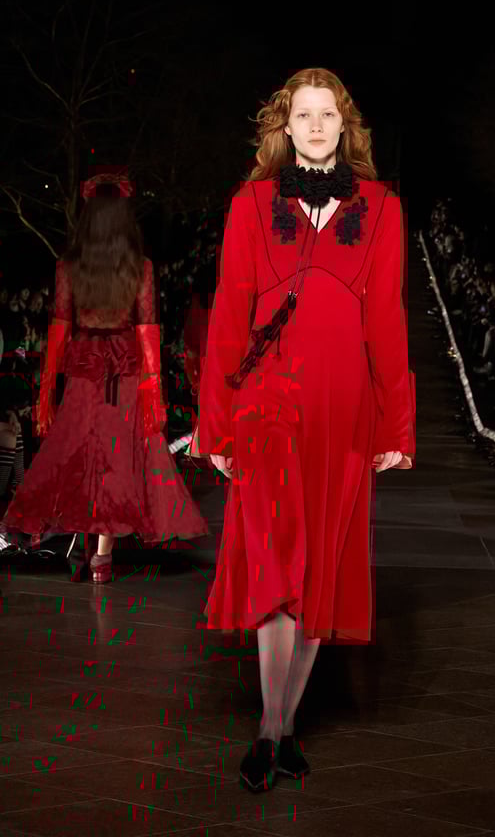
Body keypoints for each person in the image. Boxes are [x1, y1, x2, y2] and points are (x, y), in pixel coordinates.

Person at [187, 68, 415, 793]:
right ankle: (269, 729)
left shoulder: (382, 207)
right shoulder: (251, 203)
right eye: (304, 115)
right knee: (273, 563)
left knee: (320, 566)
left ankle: (282, 730)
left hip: (345, 406)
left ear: (346, 126)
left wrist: (398, 424)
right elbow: (229, 312)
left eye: (328, 115)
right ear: (284, 127)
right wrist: (215, 427)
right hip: (267, 405)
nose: (316, 127)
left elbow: (387, 320)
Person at [0, 172, 208, 579]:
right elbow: (147, 330)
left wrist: (47, 392)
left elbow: (59, 328)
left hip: (84, 370)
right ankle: (102, 556)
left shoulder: (70, 266)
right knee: (116, 459)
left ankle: (82, 548)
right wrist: (154, 392)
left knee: (79, 453)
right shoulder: (140, 268)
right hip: (124, 372)